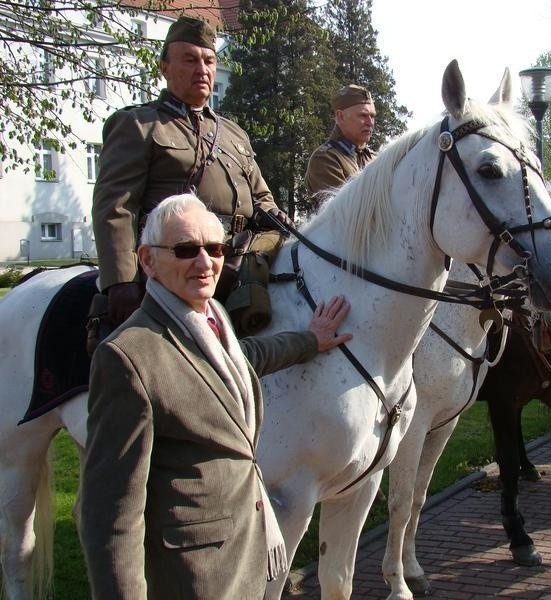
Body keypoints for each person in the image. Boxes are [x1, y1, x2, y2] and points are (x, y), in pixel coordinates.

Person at [80, 194, 352, 599]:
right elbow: (110, 514)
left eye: (215, 248)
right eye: (186, 249)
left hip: (245, 548)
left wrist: (309, 340)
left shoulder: (211, 318)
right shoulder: (127, 357)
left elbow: (242, 360)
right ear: (147, 260)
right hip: (193, 573)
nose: (205, 263)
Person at [92, 16, 290, 328]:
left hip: (235, 259)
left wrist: (276, 216)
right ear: (164, 67)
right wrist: (121, 280)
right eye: (190, 59)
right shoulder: (139, 125)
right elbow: (115, 205)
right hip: (176, 262)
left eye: (209, 61)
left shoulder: (234, 133)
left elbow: (260, 197)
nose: (202, 69)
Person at [304, 84, 376, 211]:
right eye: (363, 115)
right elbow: (344, 213)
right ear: (341, 116)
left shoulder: (374, 158)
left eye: (372, 116)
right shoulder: (325, 159)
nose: (370, 123)